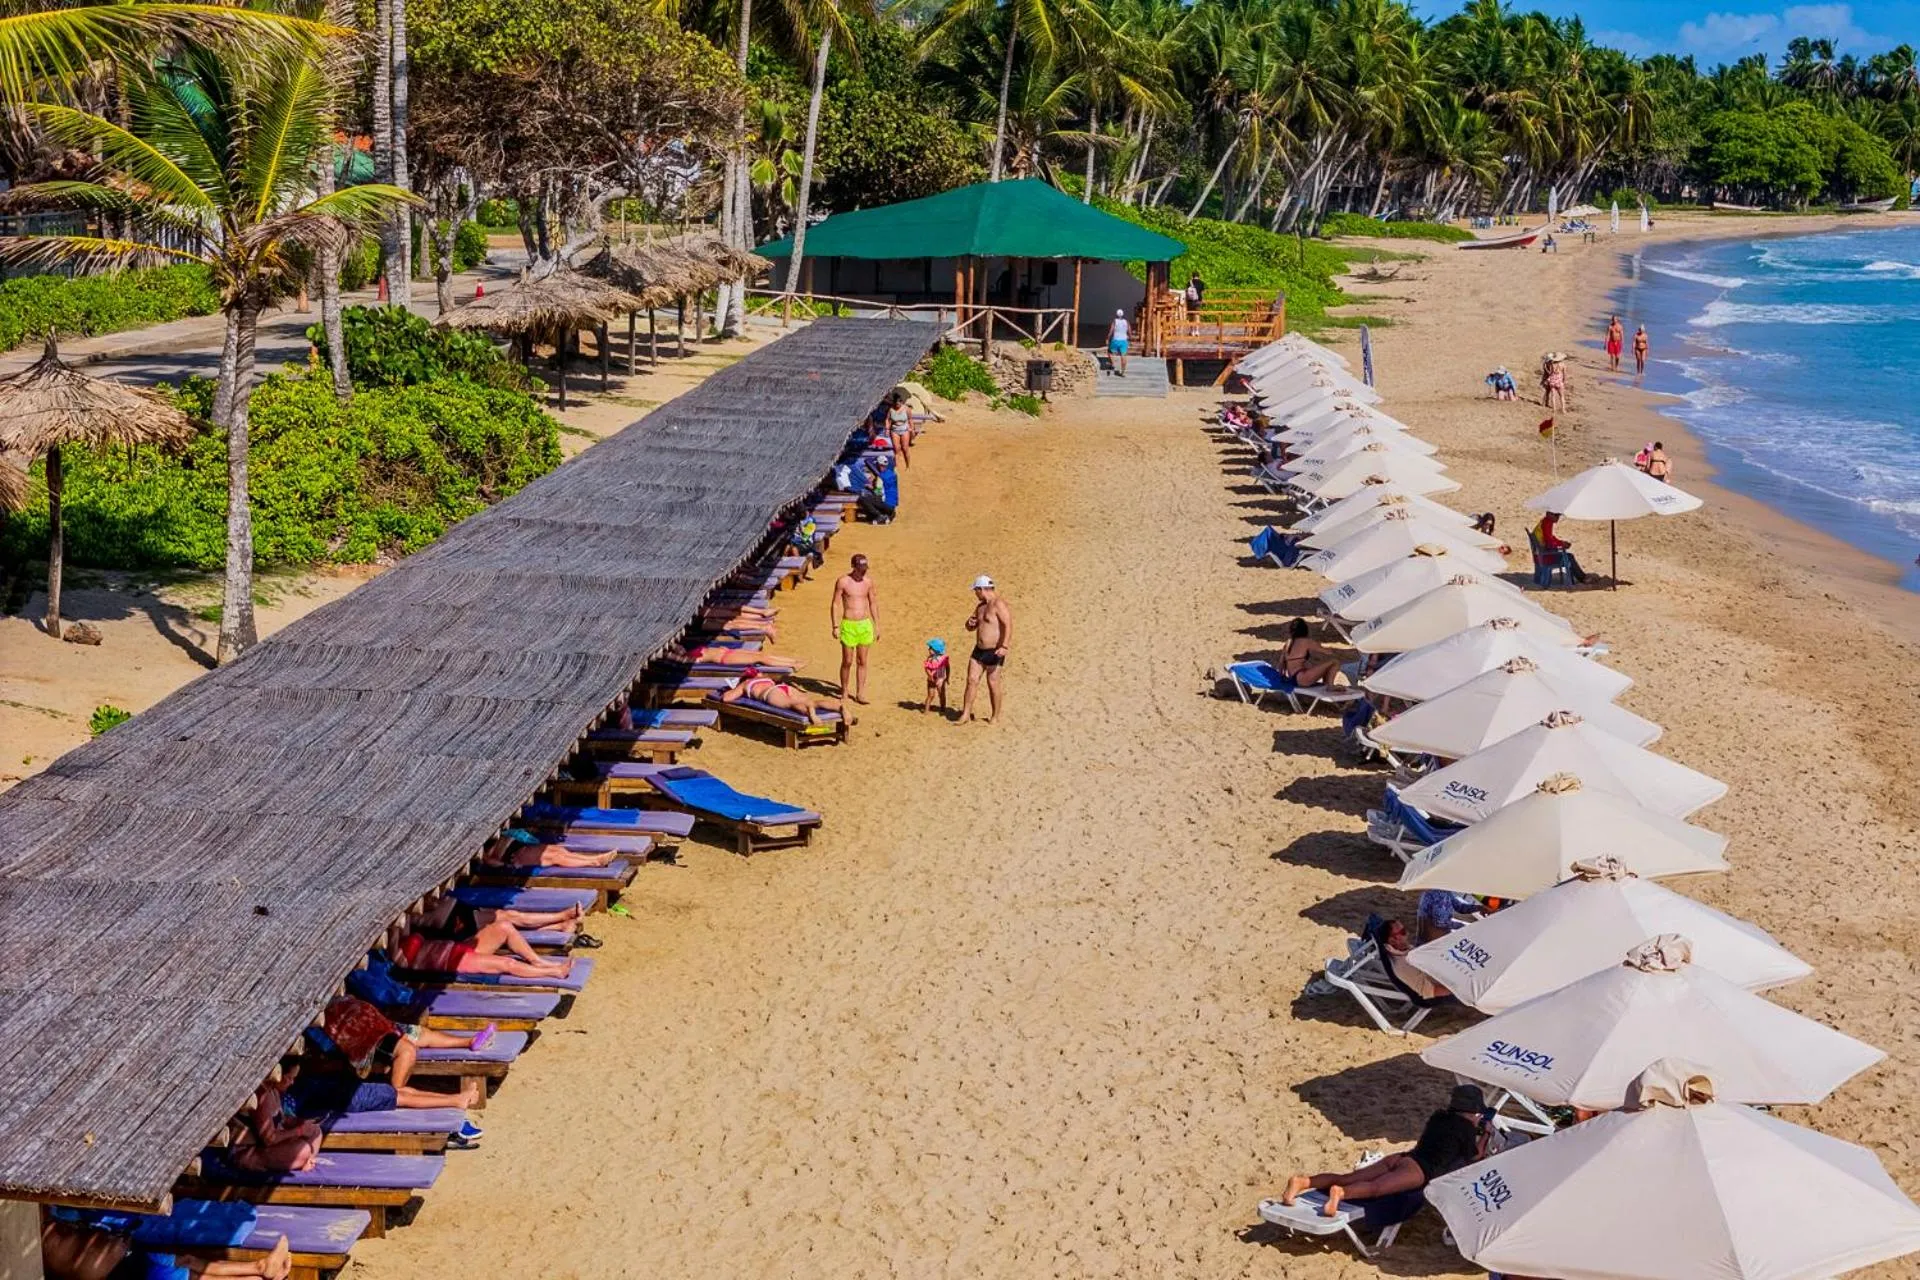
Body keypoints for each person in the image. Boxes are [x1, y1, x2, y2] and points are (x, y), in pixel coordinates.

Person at [1278, 1084, 1489, 1217]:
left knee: (1347, 1176)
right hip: (1419, 1170)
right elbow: (1475, 1155)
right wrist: (1485, 1135)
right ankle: (1340, 1195)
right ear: (1475, 1111)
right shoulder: (1466, 1128)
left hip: (1403, 1157)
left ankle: (1303, 1182)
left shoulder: (1439, 1116)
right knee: (1375, 1188)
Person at [41, 1212, 294, 1280]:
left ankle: (260, 1267)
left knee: (189, 1263)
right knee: (193, 1272)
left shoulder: (47, 1225)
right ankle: (260, 1270)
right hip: (126, 1268)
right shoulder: (44, 1237)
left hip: (129, 1260)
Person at [397, 921, 573, 981]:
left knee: (503, 927)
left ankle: (537, 960)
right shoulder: (395, 956)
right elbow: (401, 963)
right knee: (507, 963)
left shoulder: (401, 931)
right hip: (453, 962)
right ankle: (555, 971)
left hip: (457, 947)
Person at [959, 575, 1012, 725]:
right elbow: (970, 626)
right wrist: (969, 624)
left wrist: (1004, 646)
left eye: (976, 591)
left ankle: (995, 716)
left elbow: (1008, 625)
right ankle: (965, 714)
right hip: (979, 650)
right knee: (971, 680)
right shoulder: (980, 607)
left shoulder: (998, 604)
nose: (975, 594)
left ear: (981, 589)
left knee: (993, 682)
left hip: (994, 650)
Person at [830, 553, 879, 705]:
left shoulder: (868, 582)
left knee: (862, 660)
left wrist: (877, 625)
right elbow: (835, 604)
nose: (863, 571)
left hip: (865, 624)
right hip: (849, 624)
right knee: (847, 661)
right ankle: (844, 690)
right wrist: (835, 625)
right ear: (853, 566)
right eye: (860, 568)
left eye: (864, 568)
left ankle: (860, 693)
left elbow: (873, 603)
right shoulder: (843, 582)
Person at [720, 669, 835, 725]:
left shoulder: (745, 683)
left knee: (790, 704)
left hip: (770, 693)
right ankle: (839, 707)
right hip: (783, 687)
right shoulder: (764, 676)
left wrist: (732, 689)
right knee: (812, 702)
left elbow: (726, 698)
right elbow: (780, 676)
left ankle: (810, 712)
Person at [483, 829, 619, 870]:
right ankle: (594, 862)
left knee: (557, 850)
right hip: (513, 854)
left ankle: (594, 858)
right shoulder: (481, 849)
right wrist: (506, 864)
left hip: (518, 844)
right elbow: (489, 861)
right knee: (555, 857)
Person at [1279, 618, 1343, 689]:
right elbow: (1328, 652)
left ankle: (1327, 685)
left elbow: (1281, 663)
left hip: (1293, 679)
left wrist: (1281, 678)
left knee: (1321, 666)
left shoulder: (1288, 643)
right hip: (1303, 677)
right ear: (1305, 630)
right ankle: (1330, 686)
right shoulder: (1306, 642)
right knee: (1335, 662)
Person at [1532, 510, 1589, 584]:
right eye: (1557, 515)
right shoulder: (1547, 523)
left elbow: (1550, 538)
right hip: (1546, 557)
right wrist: (1562, 545)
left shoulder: (1545, 521)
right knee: (1569, 557)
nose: (1558, 518)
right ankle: (1582, 578)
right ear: (1550, 514)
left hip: (1539, 556)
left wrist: (1561, 542)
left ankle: (1582, 577)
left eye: (1558, 515)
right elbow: (1549, 543)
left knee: (1569, 556)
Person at [886, 390, 913, 469]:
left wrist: (912, 428)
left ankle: (908, 465)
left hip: (904, 429)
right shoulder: (891, 410)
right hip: (895, 430)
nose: (897, 405)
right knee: (896, 448)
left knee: (905, 448)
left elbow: (910, 419)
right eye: (896, 404)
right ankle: (897, 466)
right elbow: (887, 419)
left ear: (901, 402)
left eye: (899, 403)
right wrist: (887, 428)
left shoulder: (906, 409)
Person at [923, 638, 950, 714]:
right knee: (930, 695)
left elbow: (947, 667)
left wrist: (947, 677)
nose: (929, 649)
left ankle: (943, 709)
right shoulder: (929, 659)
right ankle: (926, 710)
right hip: (931, 679)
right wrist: (929, 675)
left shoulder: (944, 659)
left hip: (940, 679)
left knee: (941, 695)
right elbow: (927, 668)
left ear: (936, 650)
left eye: (931, 648)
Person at [1106, 308, 1130, 377]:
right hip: (1124, 340)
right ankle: (1123, 372)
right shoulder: (1126, 322)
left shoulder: (1115, 321)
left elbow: (1111, 331)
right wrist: (1129, 337)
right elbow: (1129, 331)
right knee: (1123, 356)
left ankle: (1113, 364)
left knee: (1110, 352)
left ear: (1116, 314)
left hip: (1115, 340)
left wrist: (1108, 338)